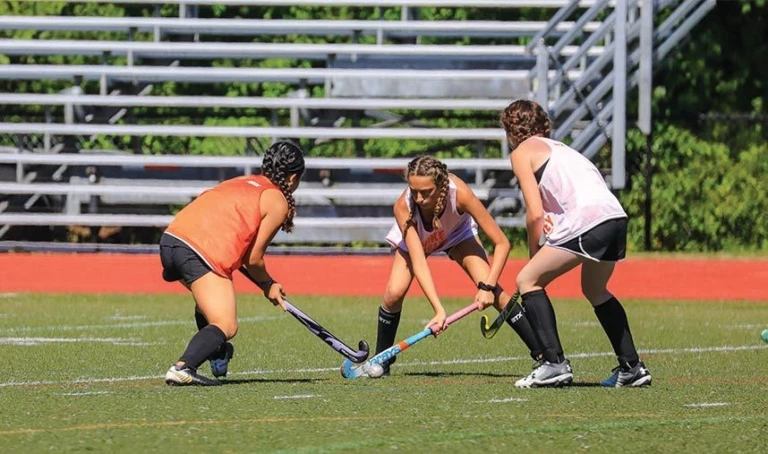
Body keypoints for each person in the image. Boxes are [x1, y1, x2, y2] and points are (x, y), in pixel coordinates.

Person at [500, 99, 651, 388]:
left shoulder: (521, 152)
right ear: (544, 124)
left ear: (511, 131)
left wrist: (534, 255)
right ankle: (632, 366)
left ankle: (553, 364)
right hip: (615, 218)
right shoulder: (564, 150)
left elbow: (533, 213)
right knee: (594, 290)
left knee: (527, 280)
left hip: (589, 220)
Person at [372, 155, 543, 377]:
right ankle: (381, 359)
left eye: (426, 192)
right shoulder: (403, 207)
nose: (419, 198)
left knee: (498, 294)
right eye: (414, 191)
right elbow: (419, 262)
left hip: (457, 235)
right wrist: (438, 309)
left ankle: (543, 356)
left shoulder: (460, 193)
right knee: (393, 294)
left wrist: (487, 287)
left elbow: (502, 243)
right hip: (419, 241)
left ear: (440, 185)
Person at [159, 141, 305, 386]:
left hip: (170, 241)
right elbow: (253, 259)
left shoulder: (242, 181)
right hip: (199, 251)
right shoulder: (277, 200)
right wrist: (268, 284)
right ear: (292, 179)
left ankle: (216, 353)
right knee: (226, 324)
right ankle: (182, 367)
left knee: (209, 307)